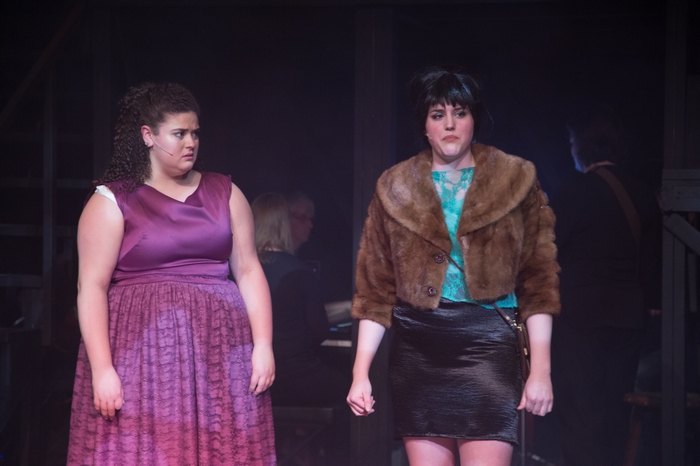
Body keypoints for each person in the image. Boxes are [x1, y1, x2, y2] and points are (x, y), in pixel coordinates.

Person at [346, 66, 561, 466]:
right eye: (438, 114)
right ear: (424, 125)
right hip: (418, 349)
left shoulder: (514, 180)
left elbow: (539, 281)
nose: (449, 124)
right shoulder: (395, 187)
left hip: (488, 346)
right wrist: (361, 373)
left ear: (474, 119)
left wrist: (541, 371)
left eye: (460, 113)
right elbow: (375, 289)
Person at [67, 82, 276, 465]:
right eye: (179, 134)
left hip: (219, 349)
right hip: (143, 355)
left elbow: (248, 270)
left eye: (195, 133)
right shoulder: (112, 200)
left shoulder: (225, 193)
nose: (190, 142)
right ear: (148, 135)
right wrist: (103, 369)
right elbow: (91, 287)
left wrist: (263, 345)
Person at [549, 104, 661, 466]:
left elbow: (545, 251)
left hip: (579, 317)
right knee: (615, 413)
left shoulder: (573, 190)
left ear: (582, 146)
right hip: (628, 318)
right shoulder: (643, 193)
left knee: (580, 413)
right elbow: (652, 262)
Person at [251, 193, 349, 407]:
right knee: (353, 392)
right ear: (283, 223)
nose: (310, 225)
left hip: (250, 376)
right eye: (303, 218)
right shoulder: (300, 272)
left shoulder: (239, 271)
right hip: (293, 375)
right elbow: (319, 331)